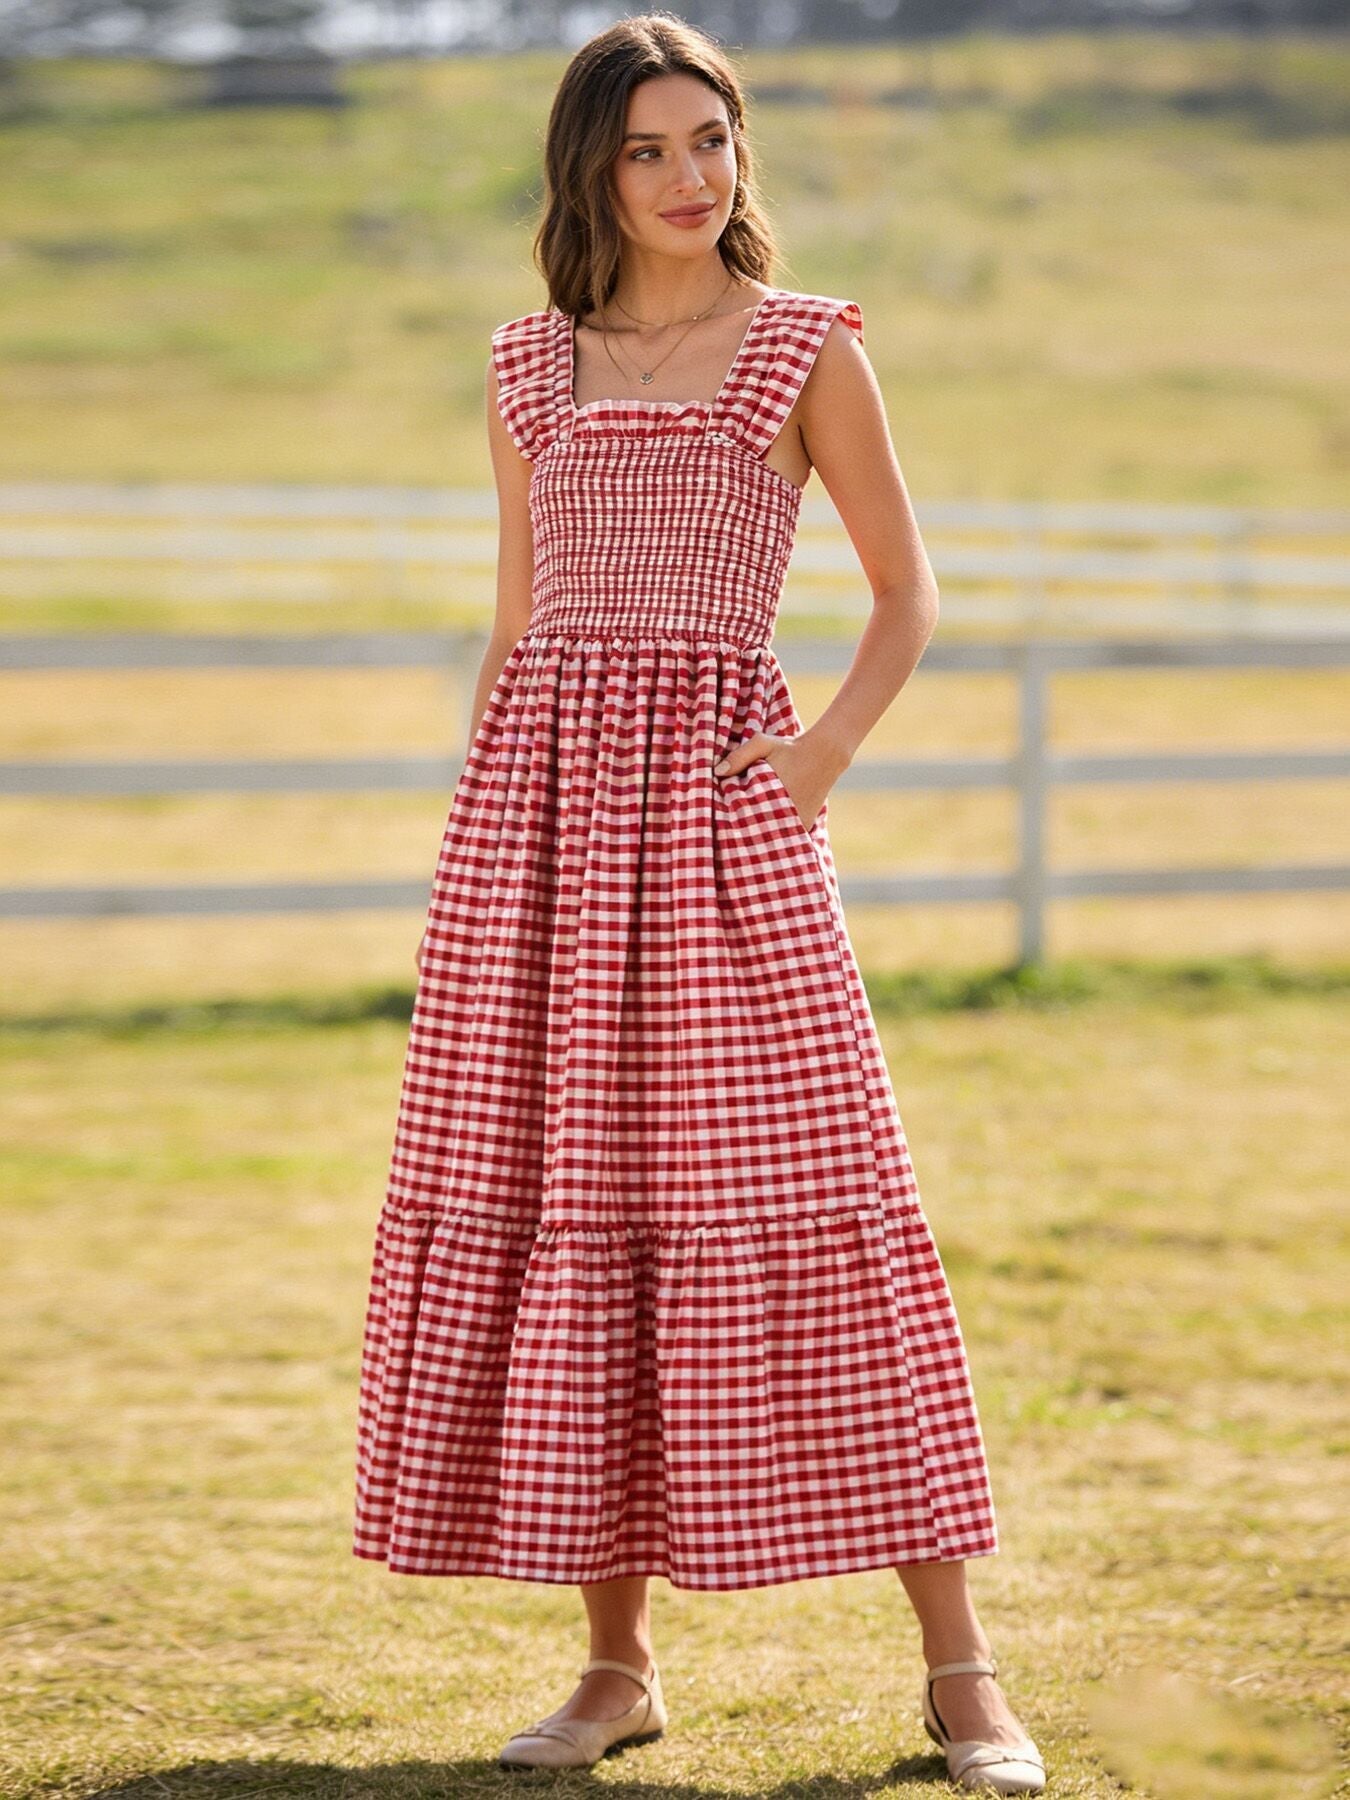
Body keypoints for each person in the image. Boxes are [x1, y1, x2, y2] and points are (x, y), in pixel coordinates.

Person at [351, 13, 1046, 1794]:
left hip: (727, 828)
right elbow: (521, 620)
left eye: (710, 141)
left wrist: (819, 760)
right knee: (577, 1204)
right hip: (545, 836)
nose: (686, 179)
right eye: (646, 151)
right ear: (588, 172)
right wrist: (490, 832)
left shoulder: (803, 346)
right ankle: (613, 1667)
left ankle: (961, 1673)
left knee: (820, 1187)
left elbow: (904, 593)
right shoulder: (528, 363)